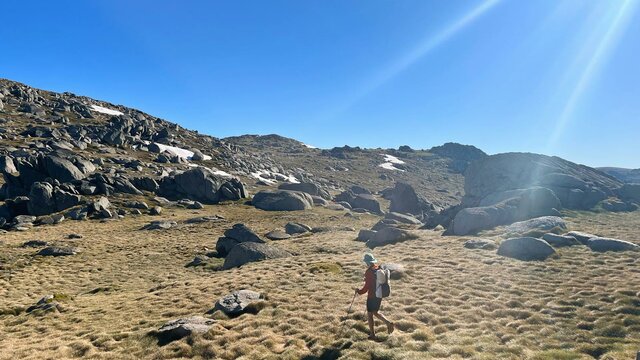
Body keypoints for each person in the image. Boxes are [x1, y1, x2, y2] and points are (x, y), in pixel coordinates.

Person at [354, 253, 395, 340]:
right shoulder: (378, 268)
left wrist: (359, 291)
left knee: (370, 315)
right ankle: (388, 323)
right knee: (375, 312)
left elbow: (366, 287)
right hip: (379, 295)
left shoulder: (369, 272)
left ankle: (372, 334)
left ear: (367, 262)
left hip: (372, 296)